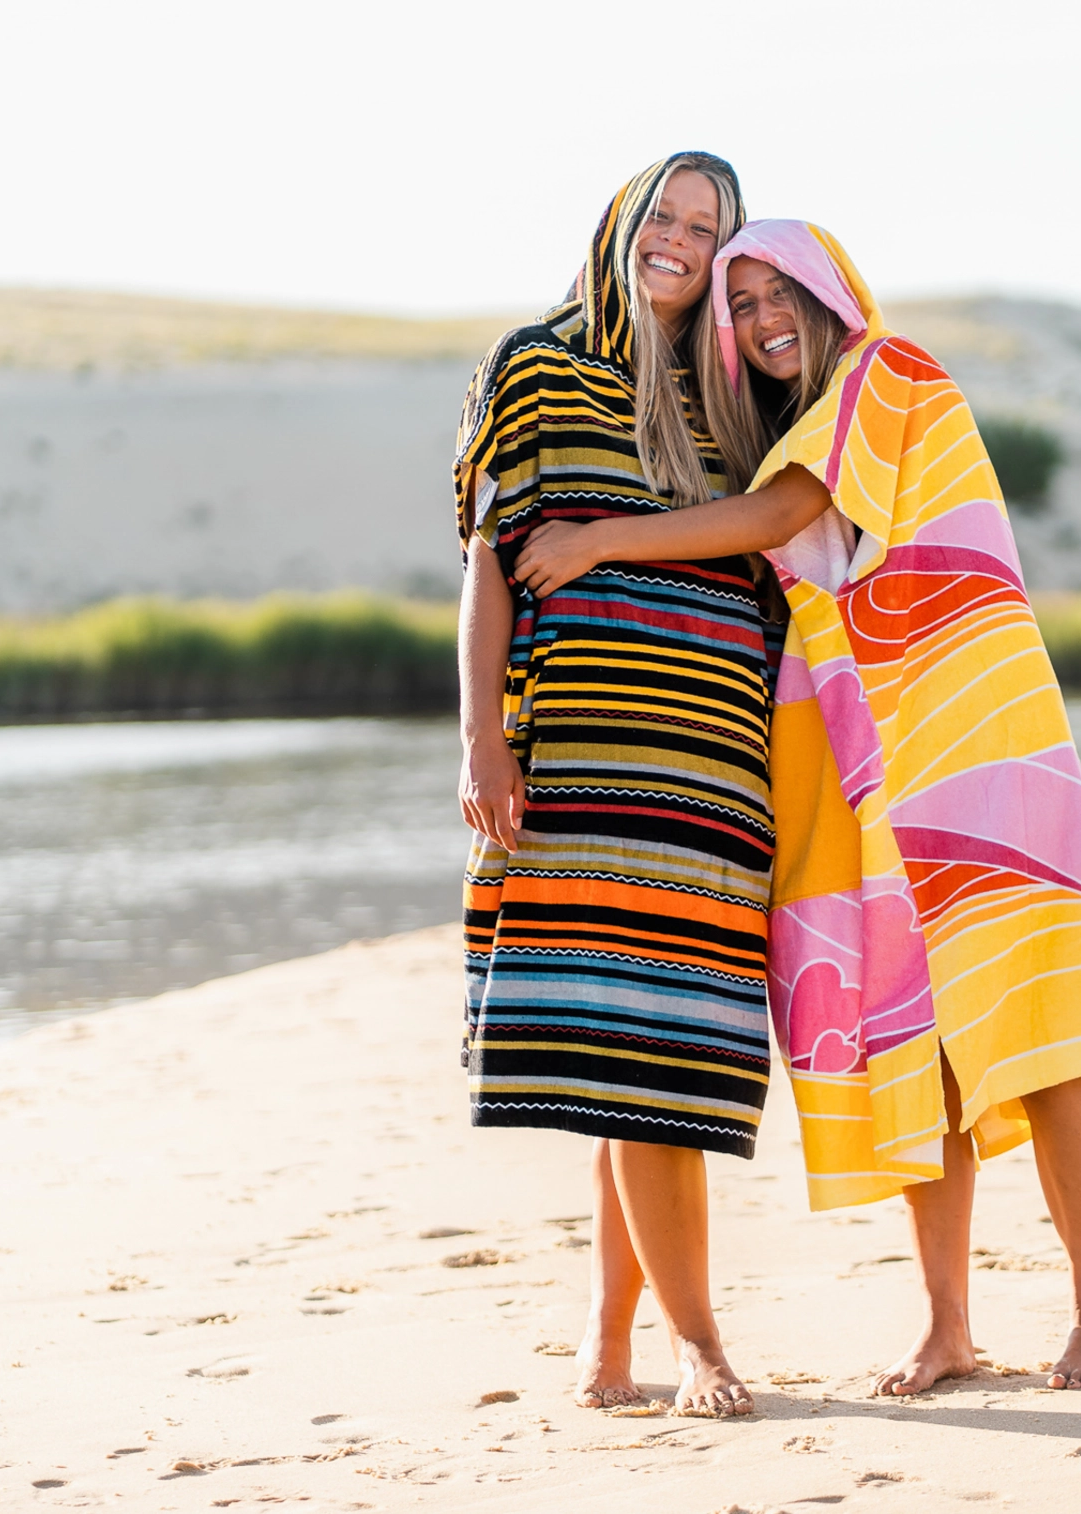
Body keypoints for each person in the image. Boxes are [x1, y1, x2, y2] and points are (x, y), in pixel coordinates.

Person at [514, 220, 1081, 1396]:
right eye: (737, 305)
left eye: (772, 291)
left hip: (969, 743)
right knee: (926, 1049)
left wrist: (600, 539)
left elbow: (772, 516)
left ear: (829, 288)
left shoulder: (885, 373)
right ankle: (948, 1324)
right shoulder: (809, 415)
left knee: (1035, 1032)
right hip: (871, 760)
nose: (757, 319)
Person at [453, 153, 776, 1418]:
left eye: (708, 229)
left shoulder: (732, 397)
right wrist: (481, 733)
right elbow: (490, 556)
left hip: (714, 776)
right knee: (643, 1060)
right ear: (623, 225)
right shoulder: (536, 363)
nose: (684, 244)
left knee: (651, 1057)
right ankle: (701, 1340)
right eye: (669, 218)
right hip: (591, 765)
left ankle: (609, 1348)